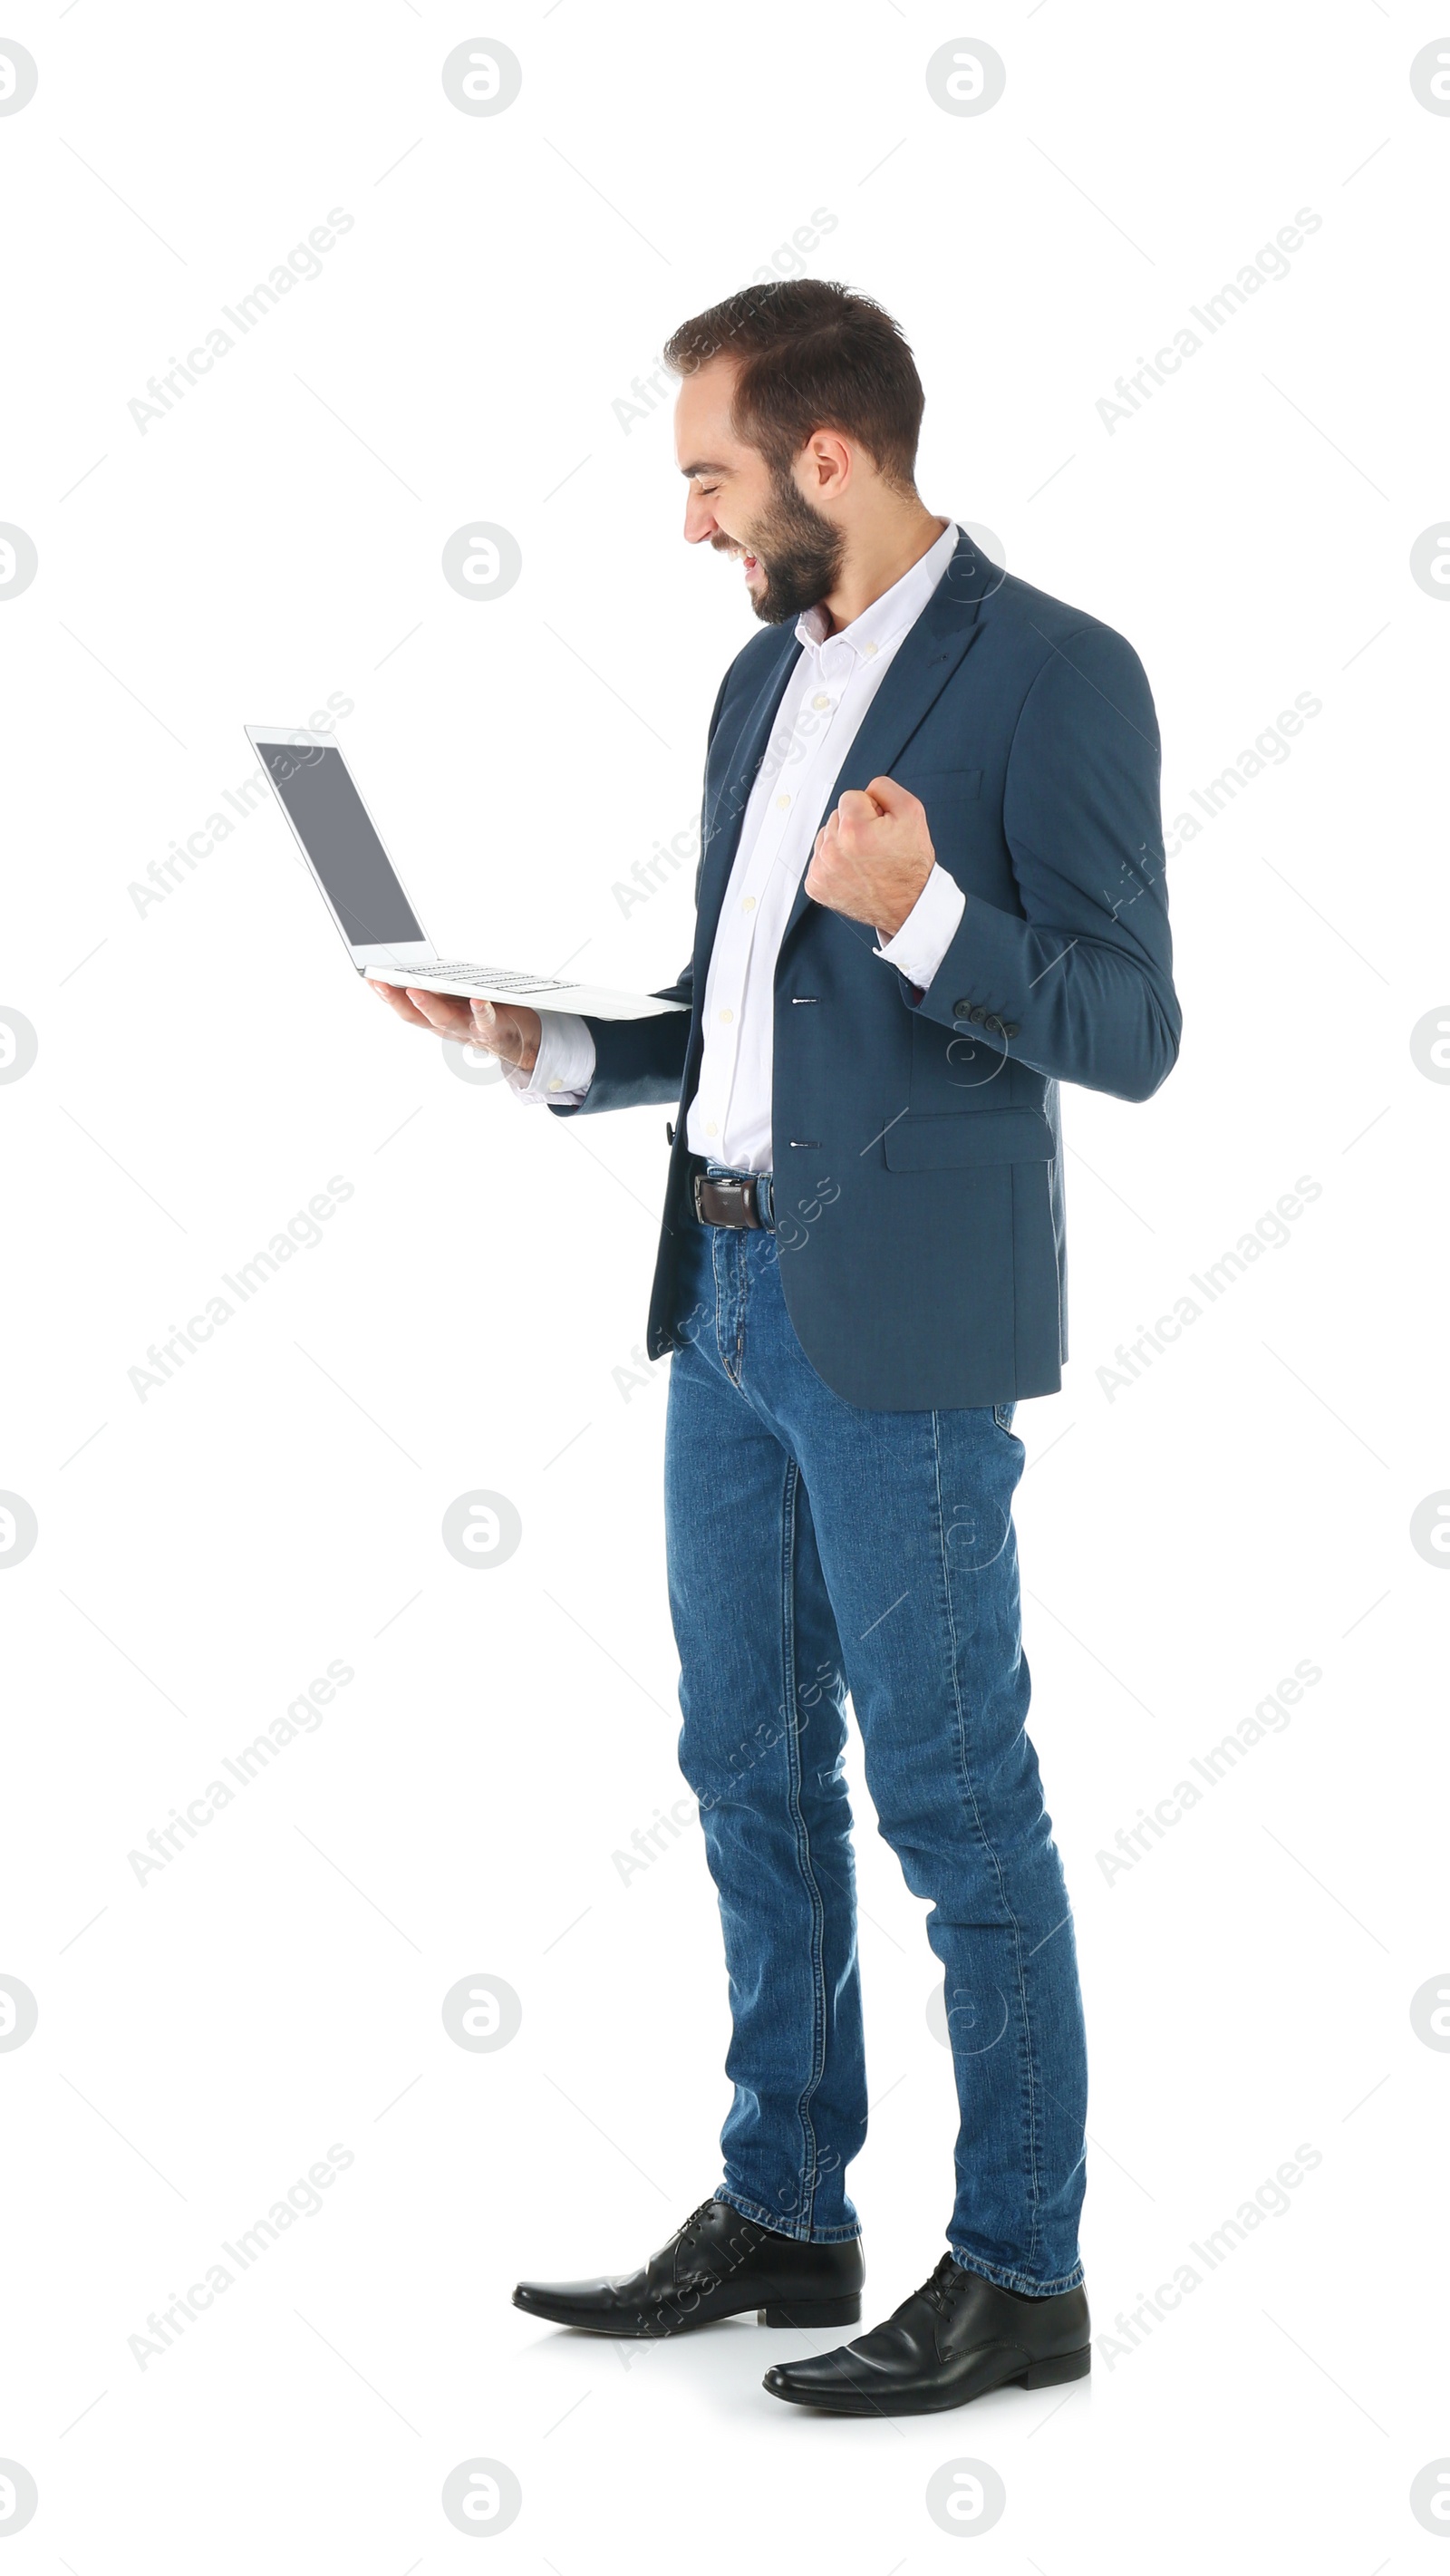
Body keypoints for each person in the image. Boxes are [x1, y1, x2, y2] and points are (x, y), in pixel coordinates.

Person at [372, 279, 1181, 2416]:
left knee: (946, 1795)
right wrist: (543, 1042)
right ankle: (787, 2204)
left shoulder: (1058, 676)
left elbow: (1131, 1030)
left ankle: (1019, 2266)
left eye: (709, 477)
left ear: (829, 459)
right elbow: (735, 1015)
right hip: (720, 1299)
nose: (693, 525)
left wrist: (926, 909)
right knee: (742, 1768)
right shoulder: (763, 681)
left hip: (898, 1336)